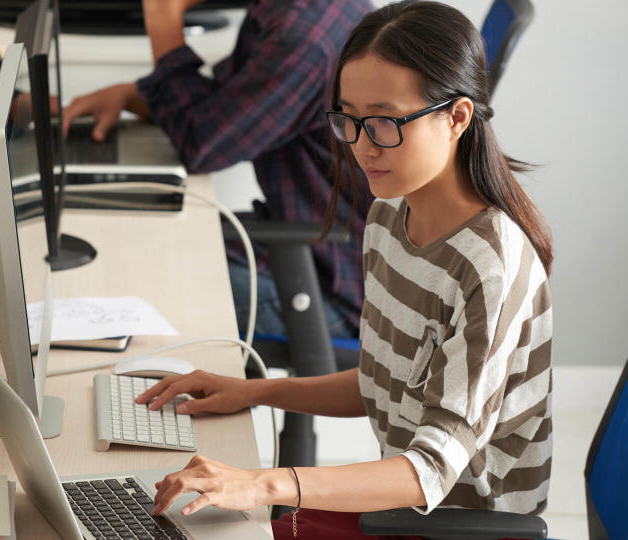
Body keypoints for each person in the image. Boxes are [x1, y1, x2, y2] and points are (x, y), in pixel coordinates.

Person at [134, 1, 553, 537]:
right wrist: (256, 391)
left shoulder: (492, 268)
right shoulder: (389, 214)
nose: (359, 146)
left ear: (457, 117)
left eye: (382, 122)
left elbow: (428, 471)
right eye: (348, 120)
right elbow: (386, 384)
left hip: (449, 525)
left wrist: (264, 483)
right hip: (399, 512)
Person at [61, 0, 374, 341]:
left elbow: (201, 147)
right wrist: (129, 97)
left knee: (116, 273)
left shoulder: (303, 40)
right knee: (123, 240)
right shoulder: (296, 11)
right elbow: (223, 108)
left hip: (328, 288)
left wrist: (163, 18)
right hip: (301, 248)